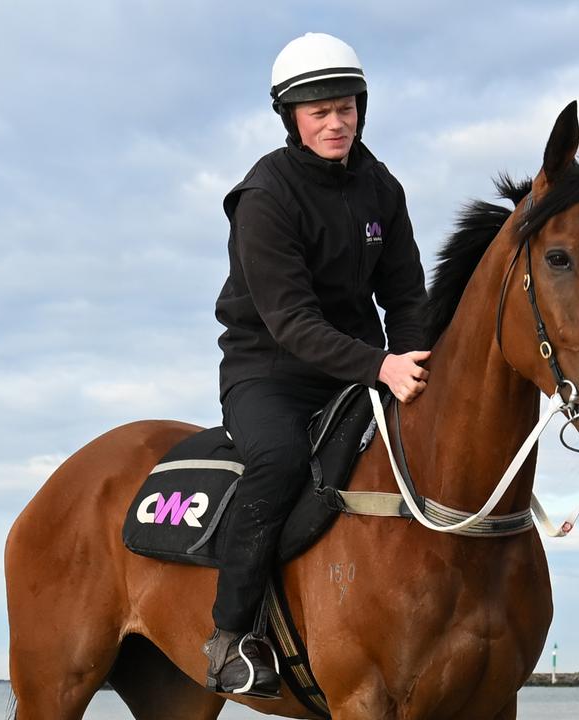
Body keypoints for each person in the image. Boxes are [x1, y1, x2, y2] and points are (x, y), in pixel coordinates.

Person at [204, 32, 430, 697]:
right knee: (276, 461)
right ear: (291, 118)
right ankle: (229, 635)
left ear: (361, 107)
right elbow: (292, 323)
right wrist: (381, 367)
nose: (336, 123)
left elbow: (407, 295)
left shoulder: (381, 185)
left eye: (346, 108)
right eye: (318, 111)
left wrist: (415, 361)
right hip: (268, 370)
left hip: (360, 368)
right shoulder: (263, 197)